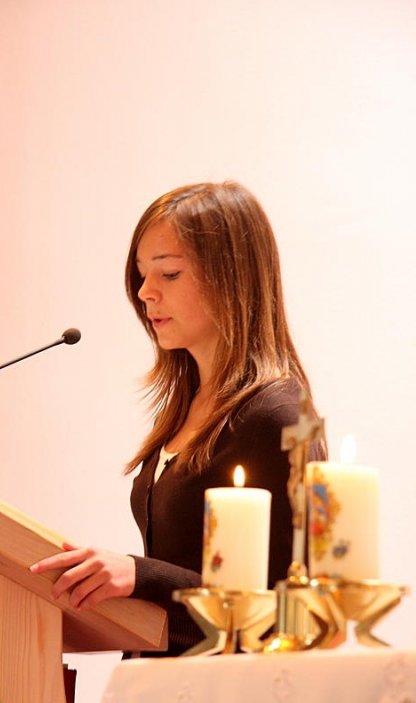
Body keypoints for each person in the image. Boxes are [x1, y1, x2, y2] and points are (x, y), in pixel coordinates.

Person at [30, 181, 326, 656]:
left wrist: (142, 575)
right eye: (142, 275)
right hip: (159, 686)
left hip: (227, 694)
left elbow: (295, 612)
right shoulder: (188, 407)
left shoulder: (280, 417)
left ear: (231, 277)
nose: (145, 292)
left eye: (169, 273)